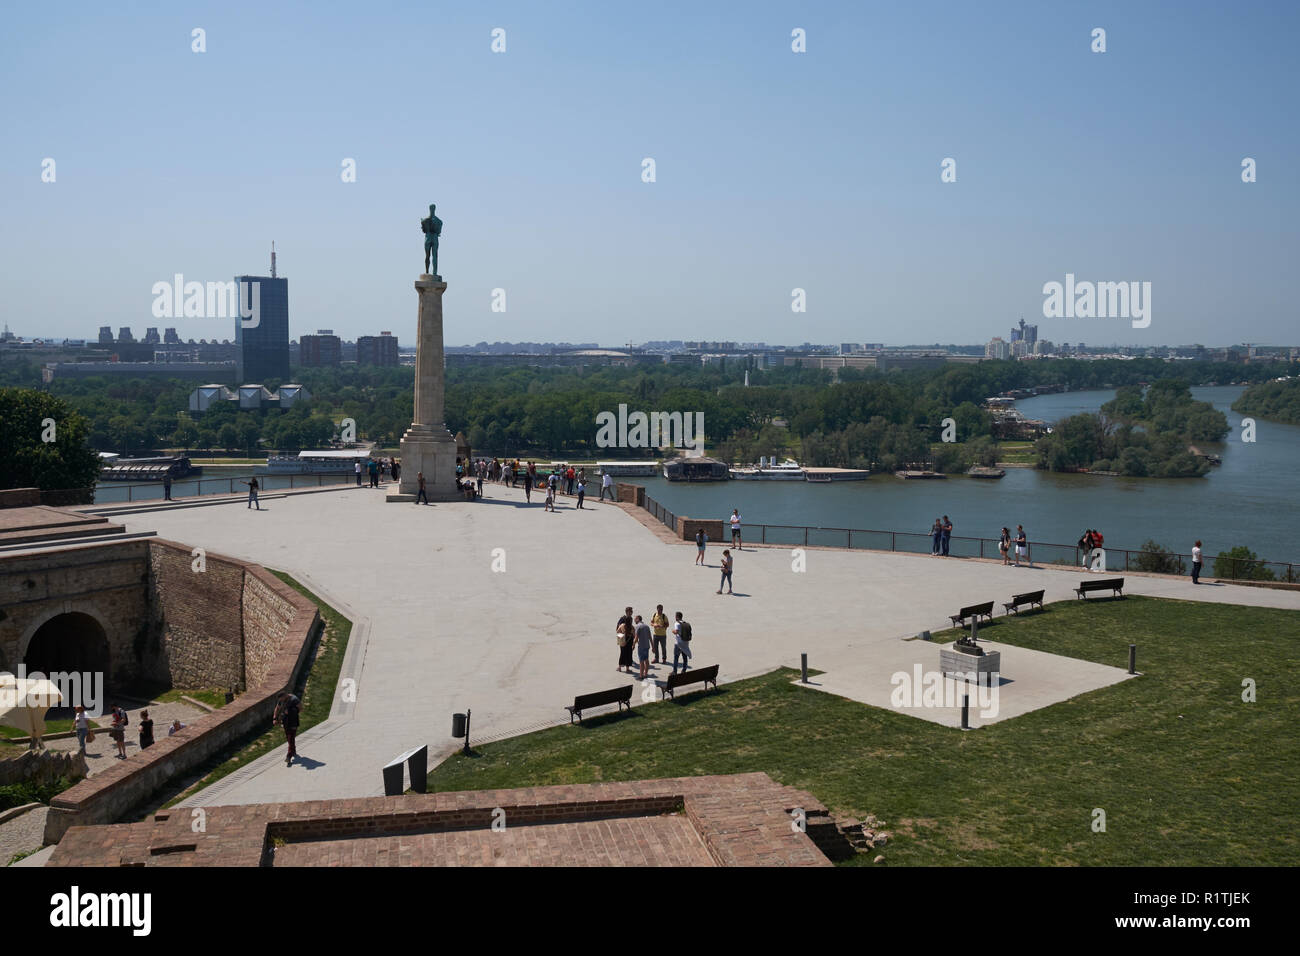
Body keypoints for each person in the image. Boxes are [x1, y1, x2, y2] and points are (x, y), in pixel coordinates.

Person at [274, 691, 301, 765]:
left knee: (291, 737)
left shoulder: (294, 699)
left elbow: (301, 709)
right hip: (285, 721)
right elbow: (277, 708)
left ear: (285, 695)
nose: (281, 701)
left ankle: (288, 756)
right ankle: (293, 750)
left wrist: (291, 713)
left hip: (293, 721)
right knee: (288, 737)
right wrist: (275, 718)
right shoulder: (281, 701)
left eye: (281, 699)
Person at [616, 606, 635, 673]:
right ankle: (627, 668)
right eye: (630, 611)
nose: (631, 612)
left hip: (624, 639)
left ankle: (620, 667)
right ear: (627, 612)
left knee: (623, 653)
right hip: (628, 640)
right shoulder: (623, 619)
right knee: (628, 654)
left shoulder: (623, 624)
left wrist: (621, 639)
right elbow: (634, 635)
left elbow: (618, 631)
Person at [635, 615, 653, 679]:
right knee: (646, 660)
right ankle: (645, 674)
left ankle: (641, 675)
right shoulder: (647, 626)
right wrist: (653, 646)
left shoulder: (638, 626)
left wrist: (633, 645)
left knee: (641, 661)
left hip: (641, 647)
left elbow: (636, 638)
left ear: (638, 619)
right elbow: (650, 637)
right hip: (647, 646)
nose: (634, 620)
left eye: (635, 619)